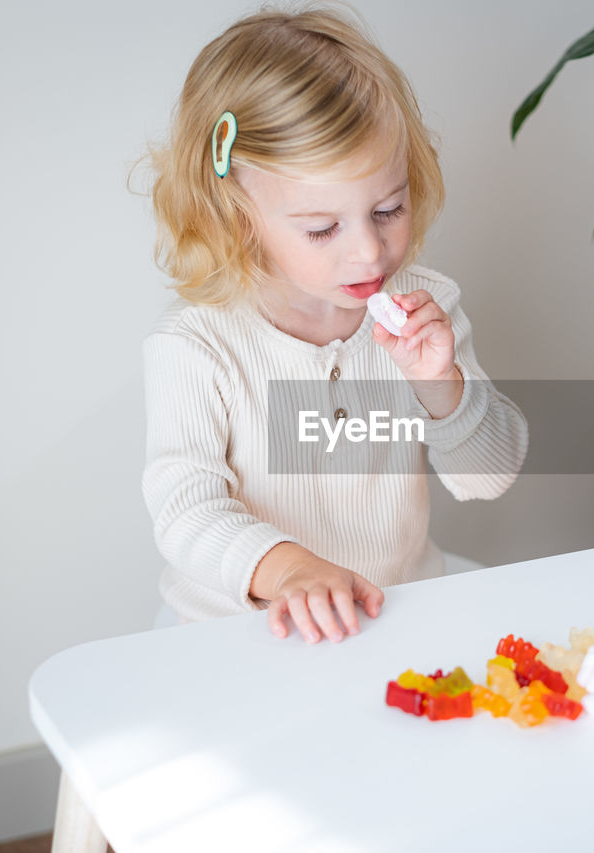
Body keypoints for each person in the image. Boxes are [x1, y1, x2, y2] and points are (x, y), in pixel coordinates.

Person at [141, 4, 528, 643]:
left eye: (388, 209)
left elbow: (491, 477)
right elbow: (187, 511)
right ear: (236, 215)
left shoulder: (424, 306)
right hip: (239, 634)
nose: (371, 253)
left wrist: (442, 386)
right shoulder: (195, 347)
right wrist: (290, 569)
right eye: (323, 228)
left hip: (391, 614)